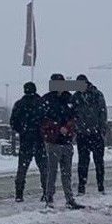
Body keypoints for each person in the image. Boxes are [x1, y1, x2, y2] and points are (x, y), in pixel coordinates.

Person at [41, 74, 84, 210]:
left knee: (66, 172)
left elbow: (76, 117)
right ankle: (50, 198)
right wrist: (57, 128)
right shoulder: (47, 99)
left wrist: (68, 128)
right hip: (53, 141)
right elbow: (42, 120)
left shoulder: (69, 98)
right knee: (52, 172)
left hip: (66, 142)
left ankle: (69, 198)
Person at [9, 81, 48, 202]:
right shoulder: (42, 103)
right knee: (44, 168)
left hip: (25, 140)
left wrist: (22, 130)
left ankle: (19, 193)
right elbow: (47, 120)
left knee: (22, 168)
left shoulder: (19, 104)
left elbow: (13, 122)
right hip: (39, 139)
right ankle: (46, 191)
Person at [73, 74, 108, 195]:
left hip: (95, 133)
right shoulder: (76, 97)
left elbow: (103, 113)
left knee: (99, 161)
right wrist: (76, 129)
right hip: (83, 134)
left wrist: (102, 130)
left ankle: (100, 186)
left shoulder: (97, 95)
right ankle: (81, 187)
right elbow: (72, 114)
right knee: (83, 162)